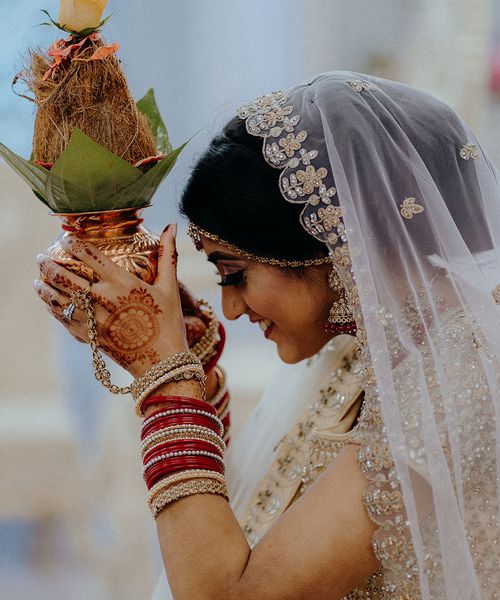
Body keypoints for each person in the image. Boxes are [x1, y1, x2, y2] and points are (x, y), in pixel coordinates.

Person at [34, 71, 500, 599]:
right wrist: (189, 368)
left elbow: (229, 594)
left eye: (236, 273)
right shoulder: (367, 351)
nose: (229, 308)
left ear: (330, 247)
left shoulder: (460, 380)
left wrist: (163, 378)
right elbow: (252, 525)